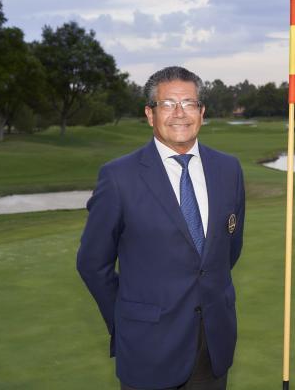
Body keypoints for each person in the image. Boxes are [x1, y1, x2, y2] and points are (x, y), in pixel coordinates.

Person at [77, 66, 245, 390]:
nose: (180, 113)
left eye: (189, 104)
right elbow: (92, 263)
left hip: (213, 347)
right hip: (148, 350)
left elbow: (226, 251)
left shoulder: (229, 169)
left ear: (202, 112)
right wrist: (127, 321)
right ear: (150, 114)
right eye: (168, 104)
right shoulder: (118, 178)